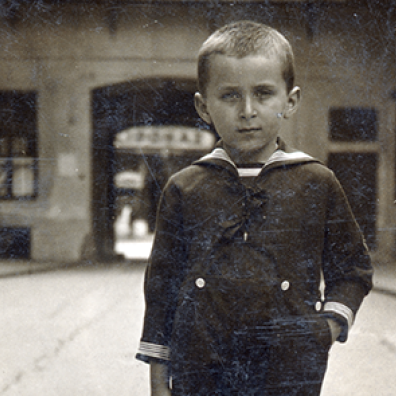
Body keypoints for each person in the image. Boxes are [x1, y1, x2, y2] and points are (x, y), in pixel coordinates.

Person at [136, 20, 373, 396]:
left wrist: (326, 327)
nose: (247, 110)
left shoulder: (316, 182)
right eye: (230, 96)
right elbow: (162, 288)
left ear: (290, 100)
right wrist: (157, 376)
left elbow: (353, 268)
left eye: (263, 94)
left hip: (288, 369)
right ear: (204, 106)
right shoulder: (185, 187)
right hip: (201, 368)